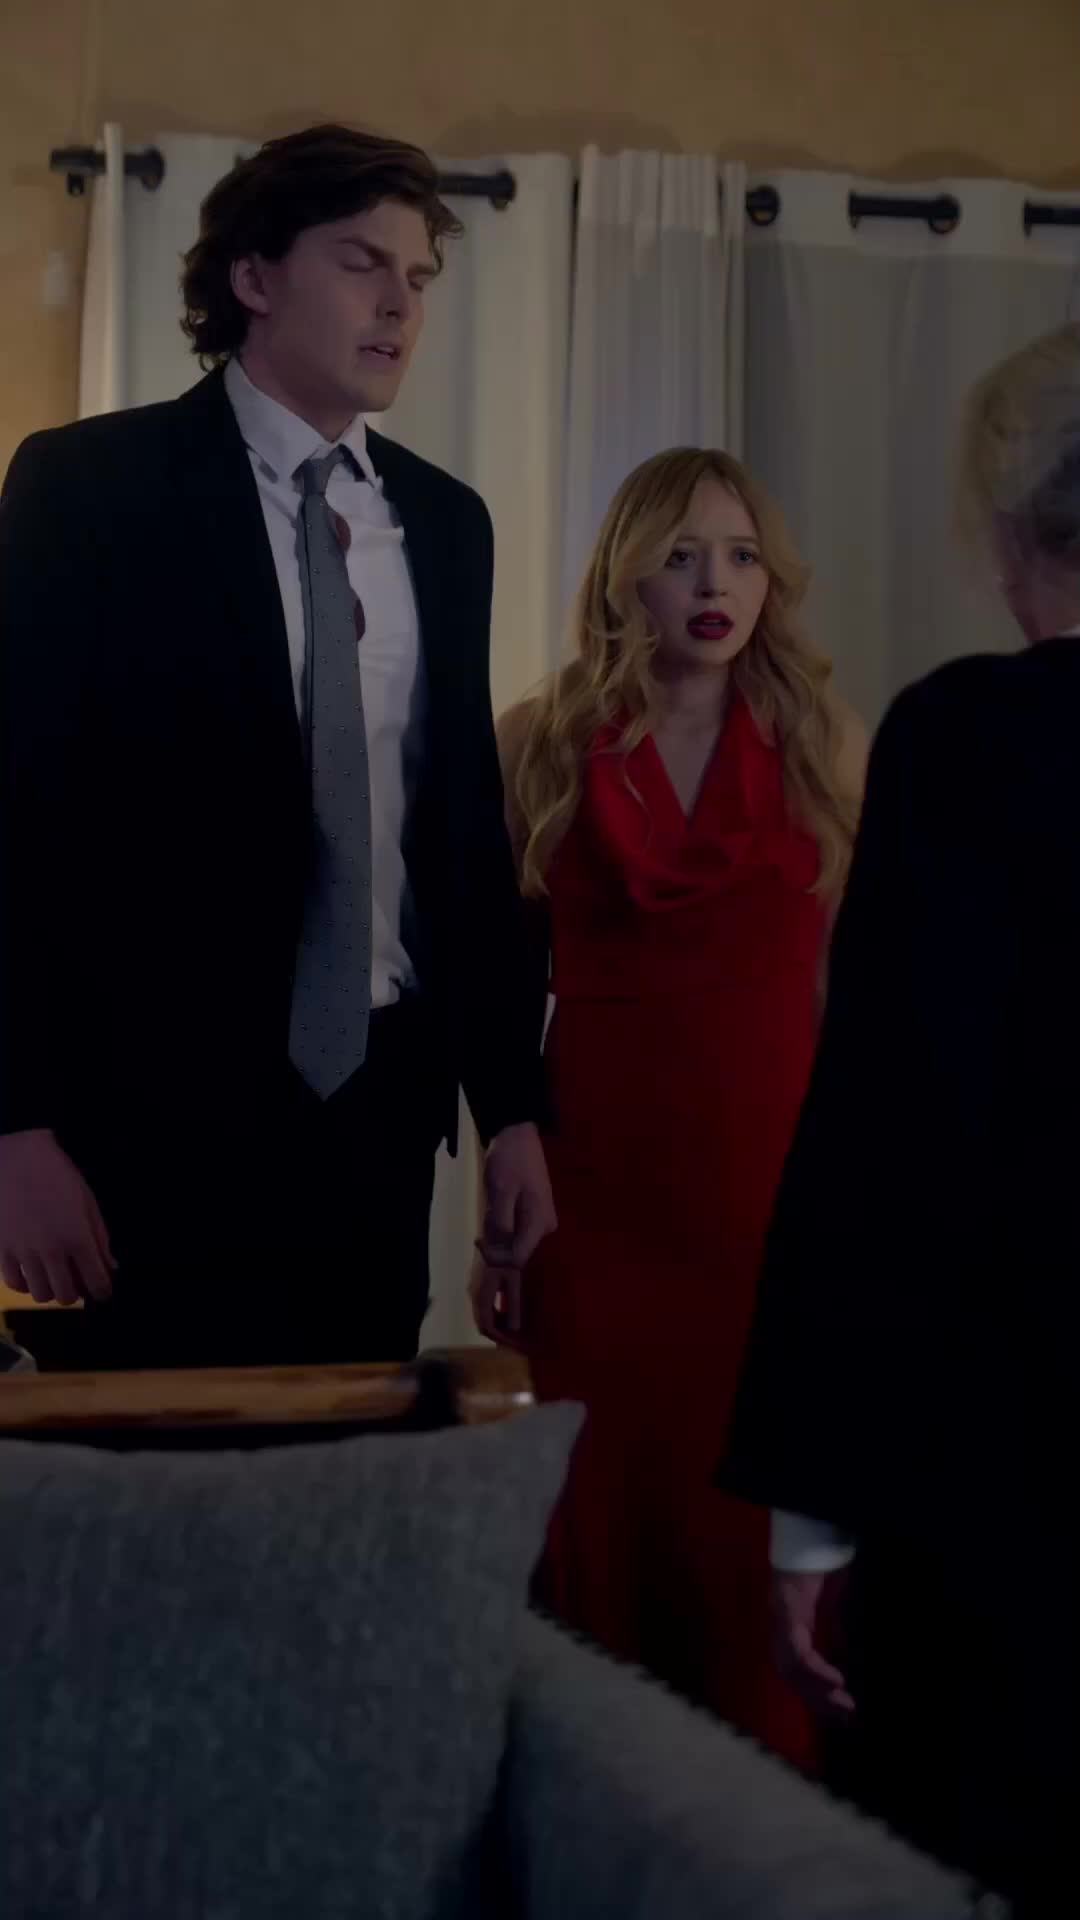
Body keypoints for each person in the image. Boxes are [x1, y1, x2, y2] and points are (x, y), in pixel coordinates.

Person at [0, 124, 554, 1369]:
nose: (400, 304)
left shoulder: (446, 524)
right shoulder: (90, 488)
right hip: (146, 1119)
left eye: (419, 278)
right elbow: (14, 811)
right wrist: (12, 1125)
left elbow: (461, 833)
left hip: (378, 1112)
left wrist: (513, 1111)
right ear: (254, 276)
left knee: (348, 1475)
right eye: (363, 263)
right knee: (156, 1481)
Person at [721, 322, 1080, 1913]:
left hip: (1005, 1464)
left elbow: (892, 1140)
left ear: (1006, 525)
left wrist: (814, 1523)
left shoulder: (967, 740)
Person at [473, 448, 866, 1759]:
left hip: (772, 1195)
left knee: (755, 1526)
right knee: (604, 1516)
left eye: (742, 556)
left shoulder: (826, 742)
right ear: (623, 576)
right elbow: (493, 1005)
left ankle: (764, 1827)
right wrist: (500, 1211)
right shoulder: (537, 743)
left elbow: (863, 997)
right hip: (598, 1203)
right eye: (682, 556)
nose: (716, 585)